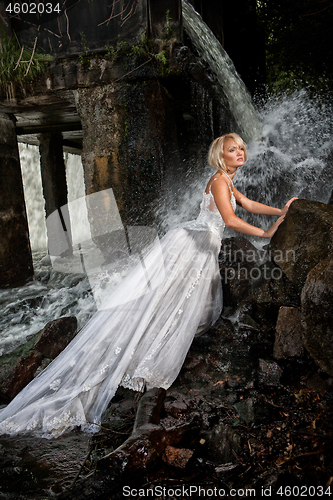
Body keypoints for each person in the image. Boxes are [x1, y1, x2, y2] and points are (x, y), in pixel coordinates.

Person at [0, 133, 296, 438]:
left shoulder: (227, 180)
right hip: (192, 244)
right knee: (168, 301)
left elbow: (247, 203)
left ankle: (150, 343)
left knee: (185, 303)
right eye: (232, 150)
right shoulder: (219, 181)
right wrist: (265, 234)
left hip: (202, 243)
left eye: (241, 148)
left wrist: (281, 212)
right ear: (221, 156)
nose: (239, 153)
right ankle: (142, 352)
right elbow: (231, 221)